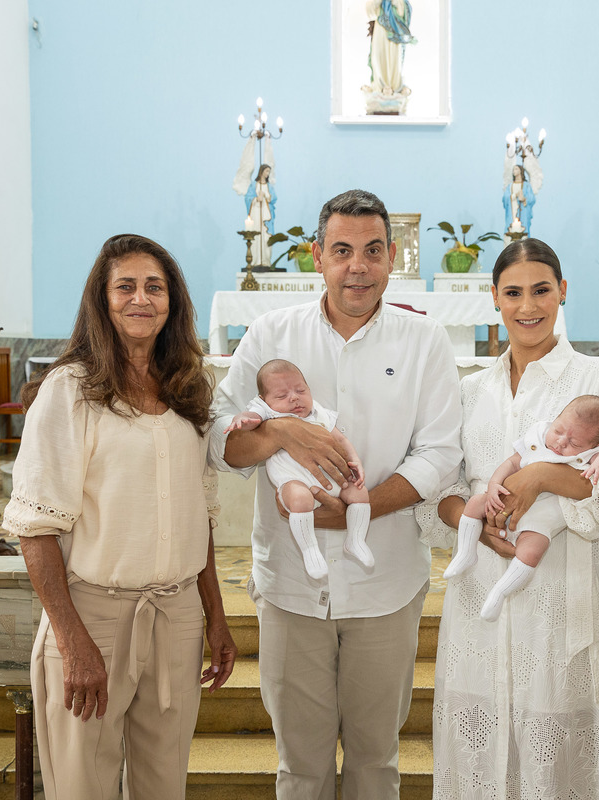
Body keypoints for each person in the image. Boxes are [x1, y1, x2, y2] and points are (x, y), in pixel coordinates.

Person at [210, 189, 462, 798]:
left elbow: (439, 455)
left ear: (392, 256)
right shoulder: (272, 333)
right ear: (317, 255)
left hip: (386, 585)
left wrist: (360, 506)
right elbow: (219, 437)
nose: (358, 266)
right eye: (343, 250)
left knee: (376, 761)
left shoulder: (423, 341)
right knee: (301, 765)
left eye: (373, 251)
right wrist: (282, 429)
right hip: (293, 585)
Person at [1, 233, 237, 799]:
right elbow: (36, 529)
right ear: (101, 300)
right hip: (94, 618)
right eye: (125, 286)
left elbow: (197, 514)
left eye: (155, 287)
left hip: (176, 617)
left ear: (172, 302)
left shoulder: (187, 390)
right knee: (83, 788)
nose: (141, 298)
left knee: (164, 788)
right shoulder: (71, 391)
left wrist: (215, 615)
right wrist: (72, 640)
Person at [421, 238, 599, 798]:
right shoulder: (471, 389)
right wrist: (471, 517)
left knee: (556, 764)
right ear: (494, 300)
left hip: (560, 598)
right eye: (513, 293)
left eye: (541, 290)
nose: (528, 306)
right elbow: (440, 491)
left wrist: (541, 479)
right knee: (479, 759)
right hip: (478, 596)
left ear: (563, 292)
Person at [444, 394, 599, 621]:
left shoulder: (595, 452)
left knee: (532, 550)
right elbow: (512, 462)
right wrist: (495, 485)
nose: (561, 442)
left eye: (574, 444)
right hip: (505, 499)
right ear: (554, 420)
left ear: (593, 445)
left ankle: (500, 592)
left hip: (541, 517)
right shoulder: (539, 435)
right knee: (476, 502)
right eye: (558, 430)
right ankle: (466, 554)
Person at [224, 358, 373, 579]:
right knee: (301, 500)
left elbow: (340, 439)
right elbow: (253, 419)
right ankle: (309, 550)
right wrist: (243, 419)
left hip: (333, 479)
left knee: (359, 493)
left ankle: (356, 539)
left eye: (300, 390)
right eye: (282, 396)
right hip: (295, 481)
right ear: (264, 401)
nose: (294, 398)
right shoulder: (270, 413)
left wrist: (355, 462)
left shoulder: (319, 414)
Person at [244, 163, 276, 266]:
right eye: (266, 171)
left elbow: (274, 198)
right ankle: (255, 260)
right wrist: (256, 199)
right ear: (261, 171)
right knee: (256, 236)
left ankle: (265, 261)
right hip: (256, 214)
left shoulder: (269, 186)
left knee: (266, 236)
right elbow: (247, 198)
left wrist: (267, 196)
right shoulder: (254, 185)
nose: (267, 174)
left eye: (269, 172)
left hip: (266, 216)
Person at [502, 164, 535, 235]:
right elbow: (505, 198)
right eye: (513, 169)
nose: (514, 171)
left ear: (520, 171)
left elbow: (532, 198)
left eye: (516, 169)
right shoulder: (510, 186)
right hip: (512, 211)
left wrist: (524, 199)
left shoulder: (526, 185)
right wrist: (514, 196)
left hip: (522, 212)